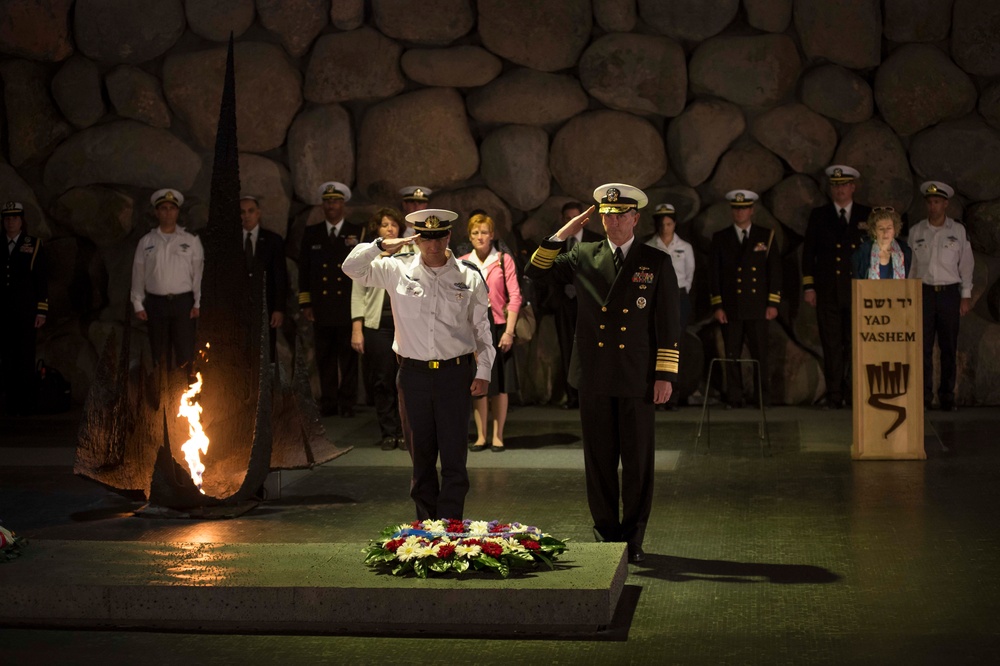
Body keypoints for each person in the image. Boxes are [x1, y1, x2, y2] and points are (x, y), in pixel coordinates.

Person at [526, 183, 680, 564]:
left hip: (637, 376)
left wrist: (665, 375)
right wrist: (562, 234)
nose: (614, 221)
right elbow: (535, 271)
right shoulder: (583, 254)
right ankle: (606, 534)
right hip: (594, 374)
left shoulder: (654, 260)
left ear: (635, 218)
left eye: (621, 215)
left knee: (638, 461)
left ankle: (634, 536)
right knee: (599, 460)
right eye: (608, 215)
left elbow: (668, 323)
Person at [343, 208, 494, 520]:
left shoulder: (468, 277)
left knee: (454, 458)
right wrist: (380, 246)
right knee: (421, 458)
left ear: (449, 235)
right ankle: (427, 528)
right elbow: (351, 268)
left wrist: (484, 370)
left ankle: (451, 527)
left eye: (439, 236)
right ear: (416, 238)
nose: (433, 244)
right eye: (426, 237)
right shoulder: (396, 269)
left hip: (455, 374)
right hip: (413, 376)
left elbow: (482, 329)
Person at [802, 165, 872, 409]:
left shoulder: (868, 215)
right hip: (828, 290)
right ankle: (834, 394)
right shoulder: (819, 215)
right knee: (831, 343)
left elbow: (875, 253)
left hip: (857, 291)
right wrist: (809, 287)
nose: (840, 190)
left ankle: (854, 392)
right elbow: (809, 253)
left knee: (856, 343)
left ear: (853, 187)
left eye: (844, 185)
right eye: (835, 185)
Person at [709, 189, 782, 409]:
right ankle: (734, 396)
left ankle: (762, 397)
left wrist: (772, 303)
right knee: (732, 354)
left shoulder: (765, 235)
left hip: (758, 306)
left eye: (743, 208)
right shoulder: (721, 238)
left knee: (760, 353)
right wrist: (718, 305)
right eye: (736, 208)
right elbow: (714, 274)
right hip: (731, 307)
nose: (739, 212)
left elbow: (775, 271)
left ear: (751, 210)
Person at [298, 181, 363, 417]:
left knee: (348, 359)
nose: (331, 205)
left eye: (335, 201)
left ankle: (347, 404)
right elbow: (304, 270)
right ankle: (328, 403)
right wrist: (306, 302)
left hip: (347, 306)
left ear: (343, 204)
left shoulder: (357, 232)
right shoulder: (312, 232)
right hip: (322, 307)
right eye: (327, 201)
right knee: (324, 357)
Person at [909, 181, 974, 412]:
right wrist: (909, 295)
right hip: (924, 292)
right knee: (923, 348)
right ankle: (924, 395)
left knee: (948, 346)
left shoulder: (957, 231)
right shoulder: (917, 231)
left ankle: (947, 395)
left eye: (937, 202)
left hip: (948, 293)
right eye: (930, 202)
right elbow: (912, 267)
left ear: (946, 204)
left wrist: (965, 295)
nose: (933, 206)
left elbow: (966, 264)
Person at [461, 212, 522, 452]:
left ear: (492, 235)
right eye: (475, 232)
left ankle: (498, 435)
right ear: (470, 236)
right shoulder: (464, 261)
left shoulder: (503, 259)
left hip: (497, 326)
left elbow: (515, 296)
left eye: (484, 232)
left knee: (500, 385)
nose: (479, 237)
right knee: (478, 382)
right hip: (472, 329)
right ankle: (480, 436)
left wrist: (509, 332)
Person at [130, 189, 204, 375]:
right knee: (159, 353)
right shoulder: (146, 241)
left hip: (183, 303)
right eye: (163, 208)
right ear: (156, 212)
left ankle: (186, 397)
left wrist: (198, 302)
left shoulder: (190, 240)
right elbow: (138, 273)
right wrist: (137, 302)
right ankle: (162, 398)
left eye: (172, 208)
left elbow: (198, 273)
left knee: (185, 352)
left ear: (178, 212)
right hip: (156, 303)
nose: (168, 212)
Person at [350, 208, 405, 450]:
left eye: (394, 224)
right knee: (383, 380)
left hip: (404, 325)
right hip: (377, 325)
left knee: (405, 380)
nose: (390, 229)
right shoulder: (369, 257)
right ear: (378, 231)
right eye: (385, 225)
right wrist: (357, 328)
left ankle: (406, 431)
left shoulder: (411, 256)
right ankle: (388, 432)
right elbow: (357, 294)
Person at [544, 200, 604, 409]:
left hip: (588, 305)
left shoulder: (597, 242)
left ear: (583, 220)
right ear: (562, 220)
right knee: (567, 349)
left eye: (575, 218)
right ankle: (572, 396)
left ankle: (591, 394)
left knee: (590, 349)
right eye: (568, 219)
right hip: (564, 304)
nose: (572, 222)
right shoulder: (556, 243)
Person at [646, 203, 694, 410]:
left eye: (669, 223)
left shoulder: (685, 247)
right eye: (662, 224)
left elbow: (689, 275)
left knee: (676, 346)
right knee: (655, 345)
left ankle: (674, 397)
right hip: (654, 300)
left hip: (679, 298)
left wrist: (678, 297)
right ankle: (655, 395)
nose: (665, 228)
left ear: (674, 224)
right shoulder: (649, 246)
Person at [1, 202, 48, 415]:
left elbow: (41, 279)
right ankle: (9, 401)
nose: (10, 222)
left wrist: (41, 310)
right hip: (4, 309)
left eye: (15, 218)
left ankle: (26, 403)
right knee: (6, 354)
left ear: (22, 221)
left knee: (25, 354)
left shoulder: (33, 244)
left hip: (26, 309)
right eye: (7, 218)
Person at [240, 195, 288, 361]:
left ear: (258, 213)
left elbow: (280, 276)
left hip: (266, 306)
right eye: (242, 212)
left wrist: (279, 308)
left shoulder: (272, 240)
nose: (246, 215)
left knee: (266, 354)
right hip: (239, 307)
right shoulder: (231, 241)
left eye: (250, 211)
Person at [850, 207, 913, 280]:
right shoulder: (861, 254)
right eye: (881, 229)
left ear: (895, 229)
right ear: (874, 231)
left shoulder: (905, 252)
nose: (885, 232)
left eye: (889, 228)